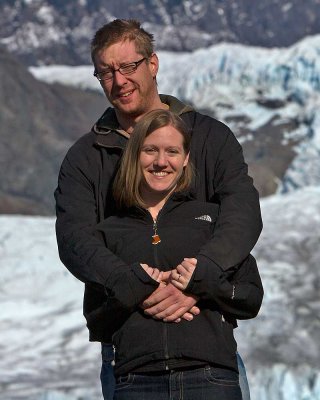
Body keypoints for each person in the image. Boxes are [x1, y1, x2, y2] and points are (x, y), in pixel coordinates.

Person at [54, 19, 262, 399]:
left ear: (153, 64)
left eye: (128, 67)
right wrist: (132, 285)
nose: (119, 82)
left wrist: (201, 276)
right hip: (128, 356)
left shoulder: (209, 138)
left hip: (208, 348)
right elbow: (74, 238)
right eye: (106, 72)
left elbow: (242, 212)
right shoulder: (86, 157)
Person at [92, 109, 263, 400]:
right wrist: (135, 287)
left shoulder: (211, 222)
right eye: (150, 150)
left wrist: (204, 285)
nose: (161, 161)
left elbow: (250, 298)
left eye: (172, 151)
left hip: (211, 378)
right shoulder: (112, 231)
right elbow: (96, 319)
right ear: (135, 155)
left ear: (185, 159)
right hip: (137, 382)